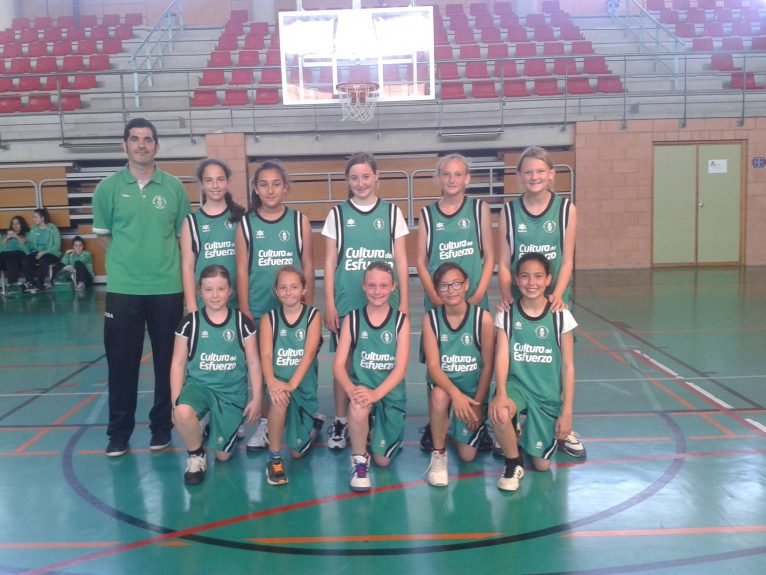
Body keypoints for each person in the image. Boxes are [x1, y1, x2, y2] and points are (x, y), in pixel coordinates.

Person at [93, 117, 192, 457]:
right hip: (123, 290)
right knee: (121, 364)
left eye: (147, 139)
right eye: (134, 139)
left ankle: (161, 429)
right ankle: (118, 434)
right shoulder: (107, 188)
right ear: (125, 145)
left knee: (168, 364)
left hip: (167, 288)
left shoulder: (174, 187)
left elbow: (184, 237)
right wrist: (129, 262)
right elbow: (104, 236)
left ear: (156, 146)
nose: (141, 144)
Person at [497, 146, 584, 458]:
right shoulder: (509, 211)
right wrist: (508, 294)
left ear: (551, 175)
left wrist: (557, 295)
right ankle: (513, 422)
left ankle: (563, 423)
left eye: (539, 171)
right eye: (528, 172)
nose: (534, 176)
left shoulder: (566, 210)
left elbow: (568, 260)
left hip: (554, 299)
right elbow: (504, 262)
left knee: (554, 363)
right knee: (517, 358)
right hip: (521, 299)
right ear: (519, 176)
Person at [323, 152, 409, 450]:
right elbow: (330, 261)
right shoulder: (337, 214)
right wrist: (330, 303)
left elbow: (401, 258)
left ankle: (378, 413)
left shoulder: (391, 212)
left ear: (376, 177)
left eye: (365, 176)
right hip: (348, 298)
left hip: (385, 297)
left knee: (381, 359)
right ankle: (341, 420)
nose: (360, 182)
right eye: (354, 177)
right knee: (344, 362)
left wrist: (405, 303)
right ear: (348, 181)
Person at [415, 153, 494, 452]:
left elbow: (489, 256)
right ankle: (437, 423)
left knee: (475, 362)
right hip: (438, 301)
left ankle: (478, 418)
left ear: (467, 179)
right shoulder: (427, 214)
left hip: (472, 299)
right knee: (437, 365)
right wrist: (435, 296)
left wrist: (477, 293)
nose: (451, 179)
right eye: (446, 174)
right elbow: (421, 261)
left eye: (457, 174)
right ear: (438, 178)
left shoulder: (479, 209)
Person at [237, 160, 314, 452]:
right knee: (266, 367)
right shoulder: (246, 223)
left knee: (298, 363)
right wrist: (245, 309)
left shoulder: (299, 221)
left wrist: (308, 307)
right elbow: (242, 269)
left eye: (276, 184)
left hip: (294, 312)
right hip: (259, 308)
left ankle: (304, 415)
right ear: (256, 188)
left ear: (285, 187)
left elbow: (307, 265)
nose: (270, 190)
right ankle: (268, 425)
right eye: (264, 184)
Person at [490, 252, 577, 492]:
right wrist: (500, 393)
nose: (532, 283)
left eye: (538, 276)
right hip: (517, 387)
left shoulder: (561, 315)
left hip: (546, 395)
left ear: (549, 280)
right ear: (516, 281)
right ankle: (513, 461)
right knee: (499, 411)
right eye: (525, 276)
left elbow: (568, 366)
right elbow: (502, 355)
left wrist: (566, 412)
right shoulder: (506, 314)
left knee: (542, 465)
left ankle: (523, 429)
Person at [170, 265, 262, 485]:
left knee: (223, 456)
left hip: (230, 393)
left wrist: (257, 398)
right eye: (209, 289)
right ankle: (196, 455)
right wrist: (175, 401)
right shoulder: (189, 324)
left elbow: (254, 362)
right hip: (199, 388)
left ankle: (209, 421)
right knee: (182, 412)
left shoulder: (242, 323)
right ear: (200, 291)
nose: (215, 295)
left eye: (220, 289)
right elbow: (178, 363)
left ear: (230, 290)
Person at [332, 261, 410, 492]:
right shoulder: (353, 319)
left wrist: (377, 394)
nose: (378, 291)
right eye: (372, 285)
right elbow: (338, 366)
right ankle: (358, 459)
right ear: (364, 286)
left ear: (393, 287)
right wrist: (351, 390)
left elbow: (400, 369)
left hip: (389, 393)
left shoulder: (400, 321)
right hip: (364, 388)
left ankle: (377, 432)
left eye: (384, 285)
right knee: (357, 404)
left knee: (383, 461)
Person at [422, 262, 494, 487]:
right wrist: (456, 395)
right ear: (436, 290)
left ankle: (455, 426)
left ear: (466, 285)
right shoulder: (431, 319)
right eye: (443, 286)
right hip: (445, 387)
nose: (450, 290)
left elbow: (488, 366)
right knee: (439, 397)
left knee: (467, 456)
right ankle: (439, 454)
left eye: (456, 284)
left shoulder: (483, 318)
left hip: (472, 393)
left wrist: (477, 405)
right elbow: (433, 367)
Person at [259, 266, 323, 486]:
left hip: (302, 386)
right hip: (278, 383)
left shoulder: (313, 316)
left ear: (304, 289)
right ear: (276, 291)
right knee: (278, 401)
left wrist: (292, 384)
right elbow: (266, 355)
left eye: (294, 287)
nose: (289, 292)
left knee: (297, 452)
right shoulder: (269, 319)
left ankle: (313, 426)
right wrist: (272, 382)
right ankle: (274, 457)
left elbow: (309, 353)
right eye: (283, 288)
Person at [180, 158, 245, 313]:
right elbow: (187, 266)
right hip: (206, 305)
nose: (215, 186)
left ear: (228, 182)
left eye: (220, 179)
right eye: (209, 180)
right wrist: (191, 306)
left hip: (238, 303)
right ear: (201, 184)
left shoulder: (241, 217)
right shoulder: (192, 222)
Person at [20, 208, 62, 293]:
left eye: (36, 217)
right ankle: (30, 282)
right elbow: (31, 245)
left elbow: (57, 246)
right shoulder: (34, 228)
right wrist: (24, 242)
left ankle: (40, 282)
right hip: (37, 252)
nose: (33, 219)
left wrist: (44, 252)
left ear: (42, 218)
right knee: (25, 260)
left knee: (43, 260)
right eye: (33, 217)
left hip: (51, 253)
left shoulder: (52, 228)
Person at [0, 216, 31, 290]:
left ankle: (12, 286)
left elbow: (27, 251)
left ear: (22, 224)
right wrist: (7, 238)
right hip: (5, 254)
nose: (15, 226)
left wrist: (17, 237)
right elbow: (1, 249)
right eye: (13, 224)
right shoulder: (6, 235)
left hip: (18, 254)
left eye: (17, 224)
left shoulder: (27, 234)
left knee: (11, 262)